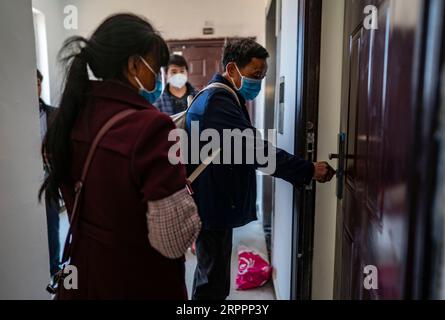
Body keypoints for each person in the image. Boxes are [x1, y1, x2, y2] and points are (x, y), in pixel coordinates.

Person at [39, 14, 200, 300]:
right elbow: (172, 242)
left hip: (85, 274)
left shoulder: (69, 117)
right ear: (134, 64)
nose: (158, 75)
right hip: (138, 279)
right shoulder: (151, 126)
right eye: (156, 65)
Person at [186, 39, 336, 300]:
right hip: (211, 205)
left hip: (215, 201)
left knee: (213, 275)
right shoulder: (217, 100)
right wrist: (307, 169)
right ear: (232, 69)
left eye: (263, 76)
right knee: (212, 281)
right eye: (255, 75)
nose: (258, 82)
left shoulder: (224, 96)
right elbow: (254, 150)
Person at [37, 69, 61, 279]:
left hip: (50, 175)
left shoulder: (54, 114)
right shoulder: (15, 118)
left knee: (52, 224)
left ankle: (54, 267)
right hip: (24, 178)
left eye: (38, 83)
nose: (35, 88)